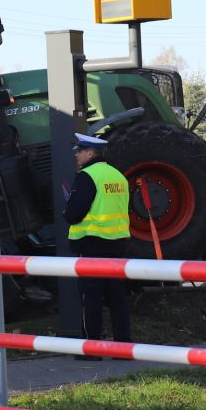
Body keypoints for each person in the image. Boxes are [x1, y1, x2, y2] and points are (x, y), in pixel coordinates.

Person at [64, 133, 132, 351]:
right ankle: (123, 347)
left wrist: (68, 208)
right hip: (117, 244)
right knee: (117, 298)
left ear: (90, 153)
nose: (76, 155)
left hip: (92, 244)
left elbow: (73, 214)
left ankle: (91, 349)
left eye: (79, 151)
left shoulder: (87, 176)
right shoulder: (118, 177)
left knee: (91, 299)